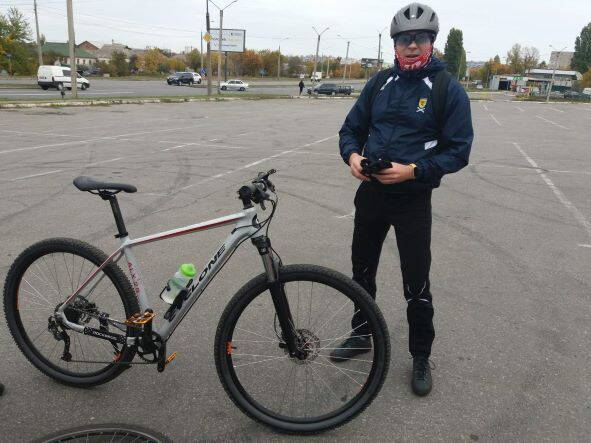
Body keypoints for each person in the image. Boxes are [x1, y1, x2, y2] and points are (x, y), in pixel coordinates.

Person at [334, 2, 473, 397]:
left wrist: (413, 171)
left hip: (413, 199)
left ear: (432, 41)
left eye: (421, 38)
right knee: (362, 271)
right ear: (395, 43)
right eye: (405, 39)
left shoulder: (447, 89)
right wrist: (353, 157)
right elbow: (350, 129)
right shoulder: (380, 83)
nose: (412, 45)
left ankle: (420, 355)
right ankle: (361, 334)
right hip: (371, 194)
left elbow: (458, 150)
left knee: (416, 282)